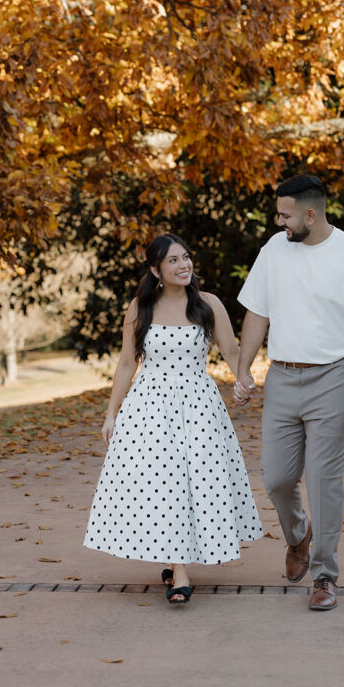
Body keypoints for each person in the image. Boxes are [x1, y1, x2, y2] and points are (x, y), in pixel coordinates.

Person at [234, 174, 344, 611]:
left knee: (324, 480)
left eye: (285, 215)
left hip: (336, 379)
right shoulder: (274, 250)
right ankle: (298, 535)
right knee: (277, 478)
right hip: (282, 378)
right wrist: (244, 368)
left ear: (310, 213)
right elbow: (256, 312)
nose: (279, 222)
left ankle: (325, 575)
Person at [84, 232, 262, 604]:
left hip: (198, 406)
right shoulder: (140, 307)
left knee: (190, 481)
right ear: (156, 269)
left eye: (186, 257)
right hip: (149, 408)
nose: (184, 265)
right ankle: (178, 569)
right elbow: (127, 363)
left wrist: (244, 381)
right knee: (162, 483)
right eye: (173, 261)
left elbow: (231, 351)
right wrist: (111, 413)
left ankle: (177, 564)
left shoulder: (208, 304)